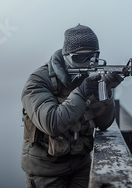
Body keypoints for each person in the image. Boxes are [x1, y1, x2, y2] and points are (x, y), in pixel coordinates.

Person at [21, 24, 124, 188]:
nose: (88, 63)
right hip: (45, 172)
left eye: (93, 57)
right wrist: (82, 93)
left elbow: (104, 124)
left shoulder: (89, 76)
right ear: (65, 55)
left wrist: (105, 92)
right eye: (79, 58)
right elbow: (52, 123)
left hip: (81, 166)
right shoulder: (38, 81)